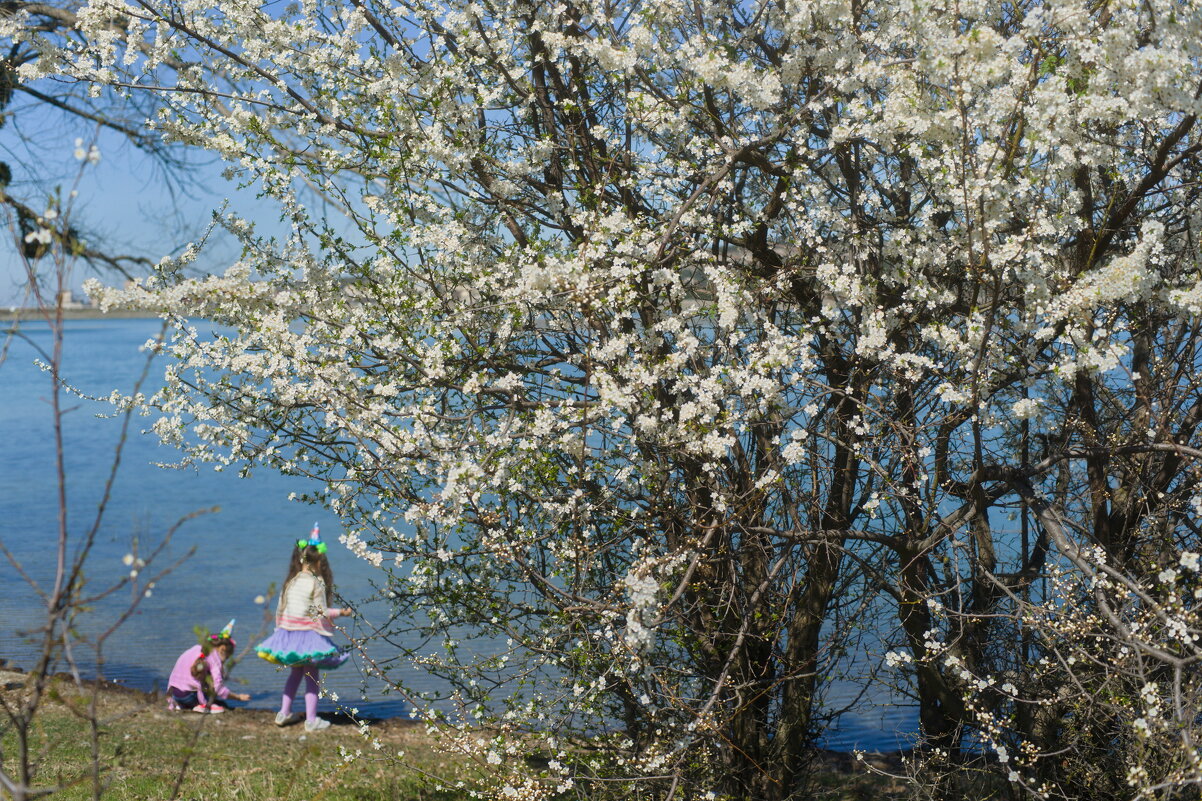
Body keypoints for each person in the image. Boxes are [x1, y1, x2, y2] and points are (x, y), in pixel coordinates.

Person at [255, 524, 352, 732]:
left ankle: (284, 712)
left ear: (300, 559)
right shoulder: (316, 583)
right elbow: (321, 612)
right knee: (311, 676)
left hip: (289, 634)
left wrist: (279, 632)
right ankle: (311, 720)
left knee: (295, 674)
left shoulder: (291, 582)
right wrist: (341, 613)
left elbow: (281, 610)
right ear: (319, 561)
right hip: (307, 637)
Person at [166, 619, 251, 713]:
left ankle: (181, 704)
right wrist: (238, 697)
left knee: (202, 677)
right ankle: (198, 705)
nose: (226, 661)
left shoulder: (197, 648)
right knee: (220, 701)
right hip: (189, 697)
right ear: (223, 649)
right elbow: (219, 689)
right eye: (227, 657)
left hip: (174, 694)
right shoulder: (215, 660)